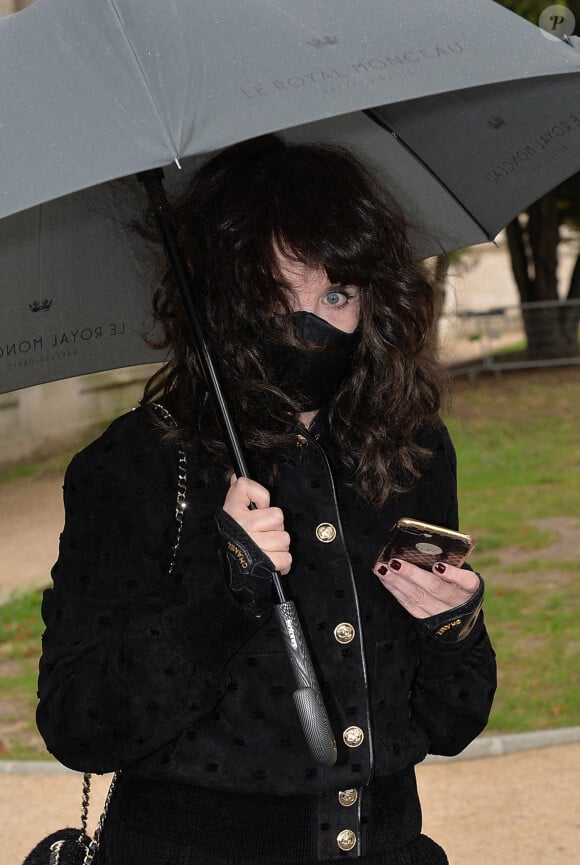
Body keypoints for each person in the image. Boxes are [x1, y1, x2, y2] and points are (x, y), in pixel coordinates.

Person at [36, 135, 497, 865]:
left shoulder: (410, 447)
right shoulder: (136, 465)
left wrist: (454, 628)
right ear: (223, 302)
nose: (311, 325)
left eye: (336, 294)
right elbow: (78, 726)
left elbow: (450, 721)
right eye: (276, 299)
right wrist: (221, 601)